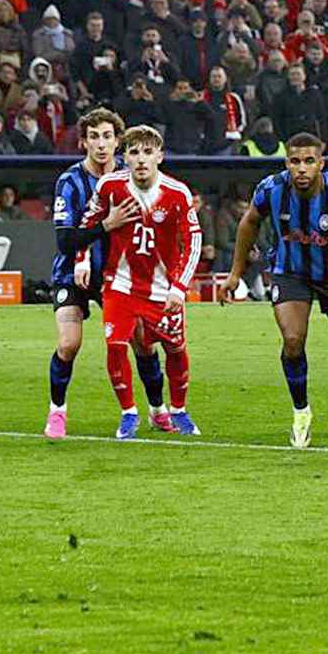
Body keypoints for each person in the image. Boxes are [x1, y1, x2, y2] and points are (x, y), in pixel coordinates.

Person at [217, 132, 328, 448]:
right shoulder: (272, 188)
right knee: (293, 340)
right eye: (295, 161)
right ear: (286, 162)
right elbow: (249, 223)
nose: (301, 168)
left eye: (309, 161)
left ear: (320, 163)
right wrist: (234, 273)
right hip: (290, 274)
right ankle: (301, 413)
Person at [44, 108, 171, 440]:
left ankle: (158, 409)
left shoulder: (133, 179)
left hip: (120, 276)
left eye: (108, 137)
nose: (101, 144)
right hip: (73, 274)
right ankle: (57, 412)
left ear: (118, 142)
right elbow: (64, 239)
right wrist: (106, 225)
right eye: (94, 137)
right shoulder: (69, 182)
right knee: (69, 344)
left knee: (143, 342)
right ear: (83, 142)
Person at [73, 125, 202, 440]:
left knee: (175, 349)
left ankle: (179, 410)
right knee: (116, 346)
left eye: (148, 152)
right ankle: (128, 413)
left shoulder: (177, 193)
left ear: (160, 155)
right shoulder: (110, 186)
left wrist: (179, 287)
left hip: (163, 289)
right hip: (120, 285)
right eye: (133, 152)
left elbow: (193, 241)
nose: (141, 159)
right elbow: (87, 224)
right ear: (124, 157)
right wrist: (83, 259)